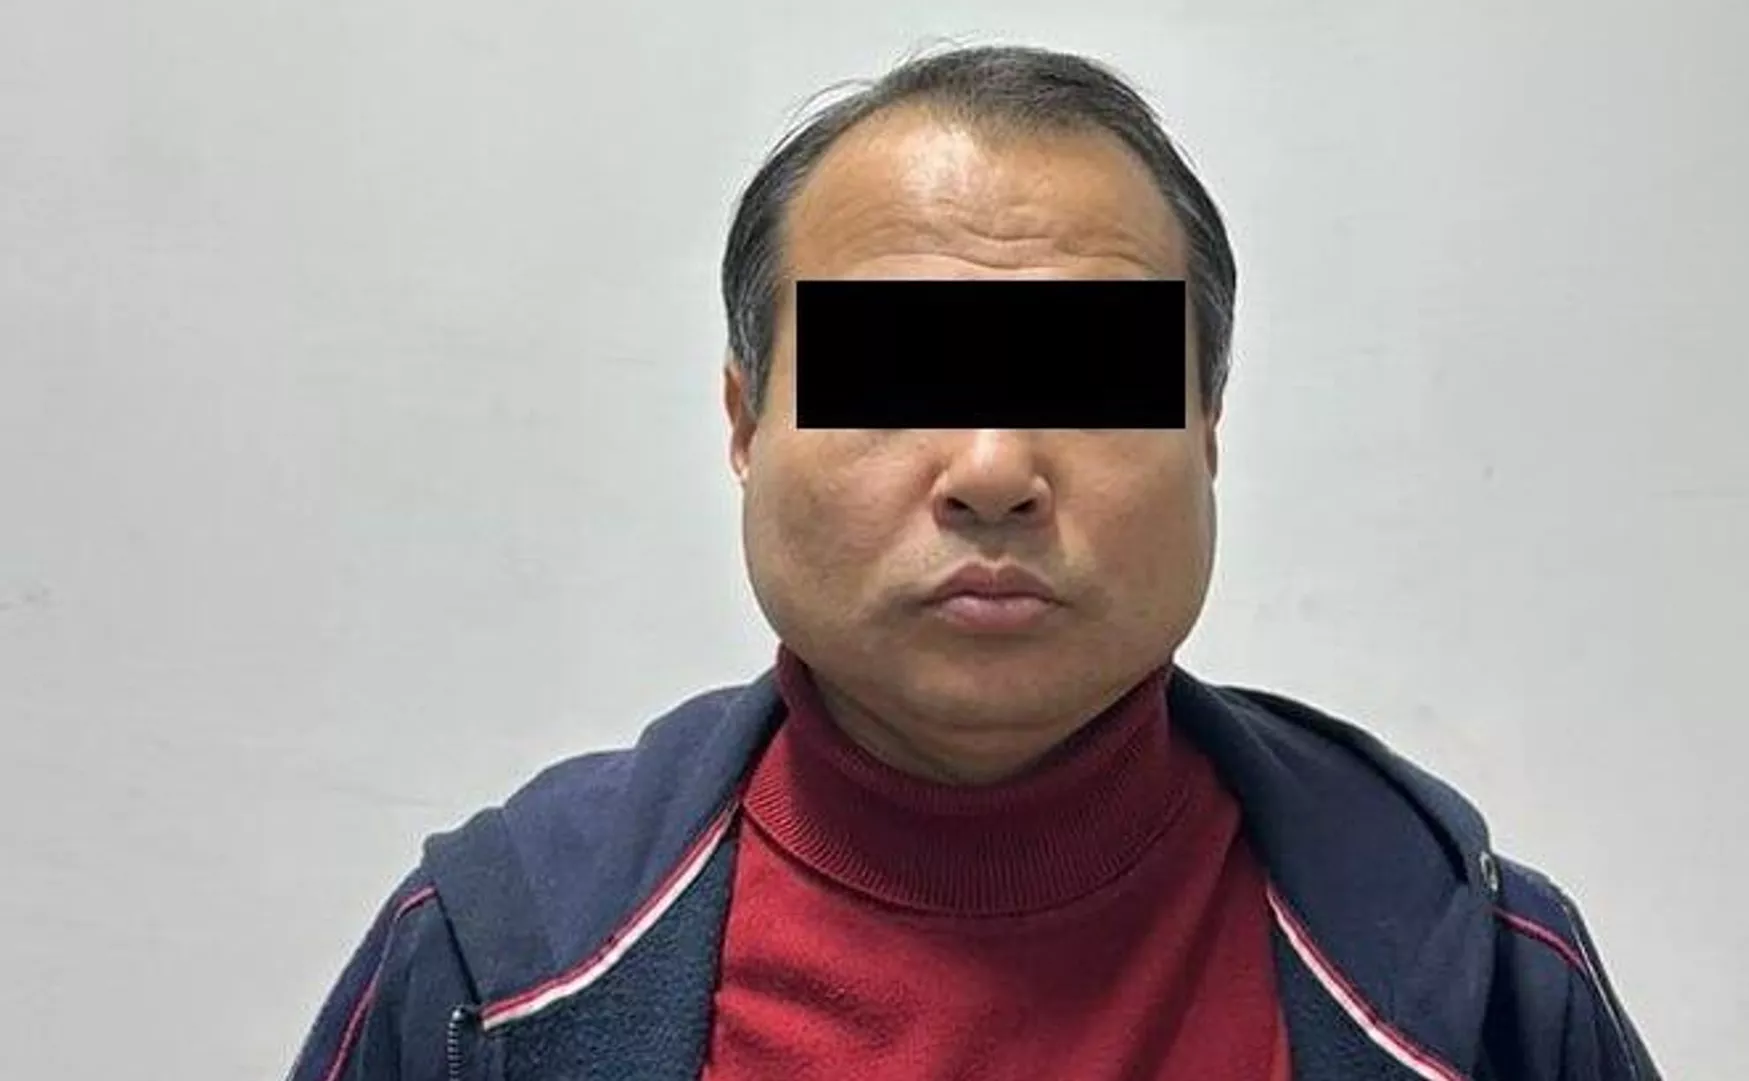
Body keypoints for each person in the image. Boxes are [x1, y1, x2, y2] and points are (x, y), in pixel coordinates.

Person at [287, 43, 1661, 1081]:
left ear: (1209, 432)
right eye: (897, 377)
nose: (995, 468)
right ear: (743, 426)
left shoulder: (1477, 970)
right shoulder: (494, 965)